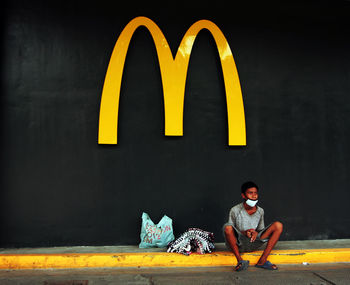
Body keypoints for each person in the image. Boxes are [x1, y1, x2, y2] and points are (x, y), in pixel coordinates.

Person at [223, 181, 283, 271]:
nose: (254, 195)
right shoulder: (235, 210)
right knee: (227, 227)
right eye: (250, 193)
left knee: (278, 225)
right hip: (239, 244)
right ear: (243, 195)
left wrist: (255, 232)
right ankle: (240, 261)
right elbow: (231, 231)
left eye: (255, 193)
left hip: (253, 242)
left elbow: (260, 230)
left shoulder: (260, 211)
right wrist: (244, 232)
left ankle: (262, 261)